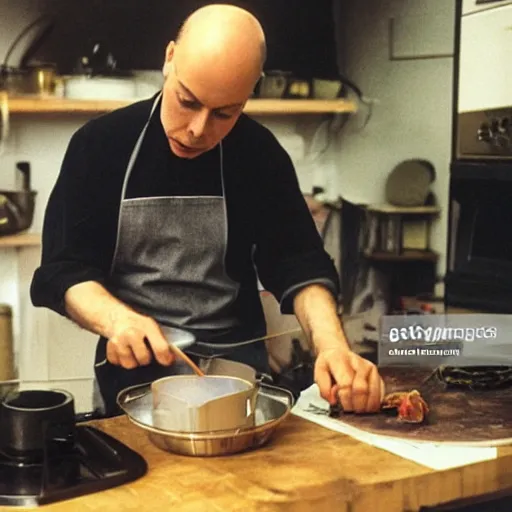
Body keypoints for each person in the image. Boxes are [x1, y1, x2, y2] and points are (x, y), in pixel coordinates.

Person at [30, 4, 385, 416]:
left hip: (236, 373)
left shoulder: (260, 155)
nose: (199, 129)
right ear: (168, 60)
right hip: (135, 375)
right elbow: (63, 268)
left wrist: (333, 348)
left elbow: (299, 262)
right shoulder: (100, 146)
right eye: (187, 101)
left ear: (249, 94)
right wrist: (117, 321)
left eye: (224, 113)